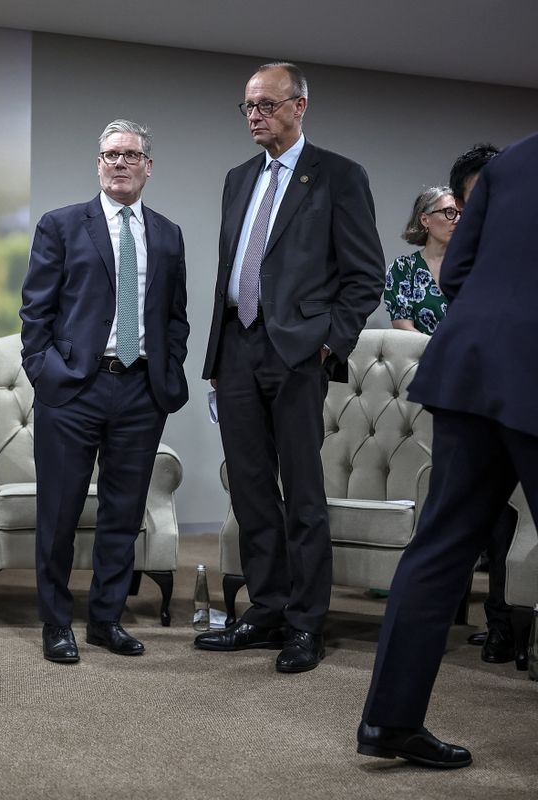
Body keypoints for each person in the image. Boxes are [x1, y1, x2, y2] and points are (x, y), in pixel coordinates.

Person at [358, 131, 538, 769]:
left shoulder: (512, 159)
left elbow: (457, 270)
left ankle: (389, 721)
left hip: (469, 367)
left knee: (437, 549)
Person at [196, 62, 383, 673]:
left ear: (300, 106)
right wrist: (219, 356)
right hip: (238, 351)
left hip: (298, 353)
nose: (256, 116)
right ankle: (267, 609)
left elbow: (364, 277)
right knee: (251, 491)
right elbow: (231, 271)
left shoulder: (338, 176)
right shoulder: (235, 178)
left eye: (267, 105)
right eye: (248, 107)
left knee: (302, 493)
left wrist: (328, 344)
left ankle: (306, 622)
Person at [19, 120, 189, 664]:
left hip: (141, 389)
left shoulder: (167, 234)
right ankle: (55, 623)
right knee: (61, 513)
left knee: (123, 512)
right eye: (110, 154)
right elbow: (35, 310)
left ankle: (107, 619)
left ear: (148, 166)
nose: (120, 163)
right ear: (98, 164)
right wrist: (44, 371)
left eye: (131, 155)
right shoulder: (62, 225)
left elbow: (175, 317)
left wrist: (170, 369)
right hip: (73, 391)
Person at [445, 143, 516, 663]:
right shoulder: (473, 244)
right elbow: (453, 283)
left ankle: (508, 622)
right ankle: (497, 626)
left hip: (523, 395)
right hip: (472, 394)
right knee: (473, 526)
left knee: (512, 525)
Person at [384, 186, 459, 335]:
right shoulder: (404, 268)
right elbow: (403, 327)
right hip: (422, 355)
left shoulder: (473, 266)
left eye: (461, 213)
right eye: (450, 212)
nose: (457, 219)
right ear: (425, 220)